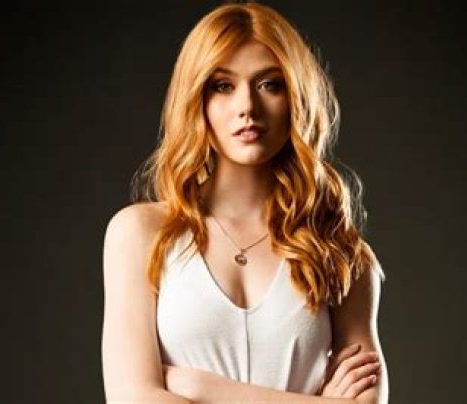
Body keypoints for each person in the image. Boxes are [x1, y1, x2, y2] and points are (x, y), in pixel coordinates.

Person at [101, 2, 388, 402]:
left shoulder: (340, 252)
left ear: (296, 97)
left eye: (270, 84)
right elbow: (131, 398)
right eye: (223, 86)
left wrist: (205, 390)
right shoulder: (140, 234)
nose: (247, 108)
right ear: (197, 99)